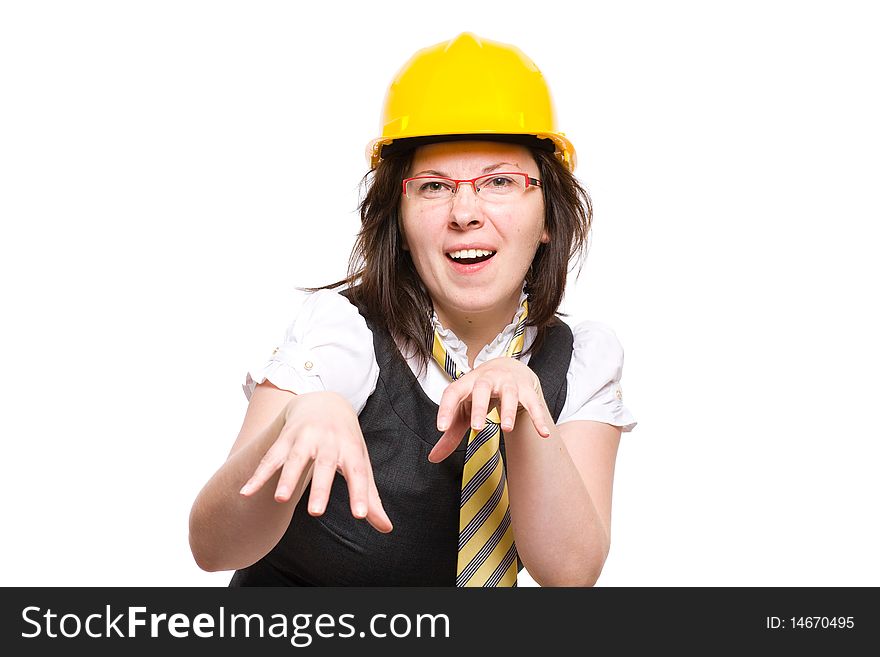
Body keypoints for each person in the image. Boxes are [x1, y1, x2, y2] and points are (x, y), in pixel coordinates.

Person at [188, 32, 637, 587]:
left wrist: (524, 415)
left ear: (548, 216)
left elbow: (570, 575)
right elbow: (212, 548)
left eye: (499, 181)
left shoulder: (582, 360)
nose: (465, 212)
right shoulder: (341, 338)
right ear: (398, 221)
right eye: (433, 187)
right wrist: (294, 419)